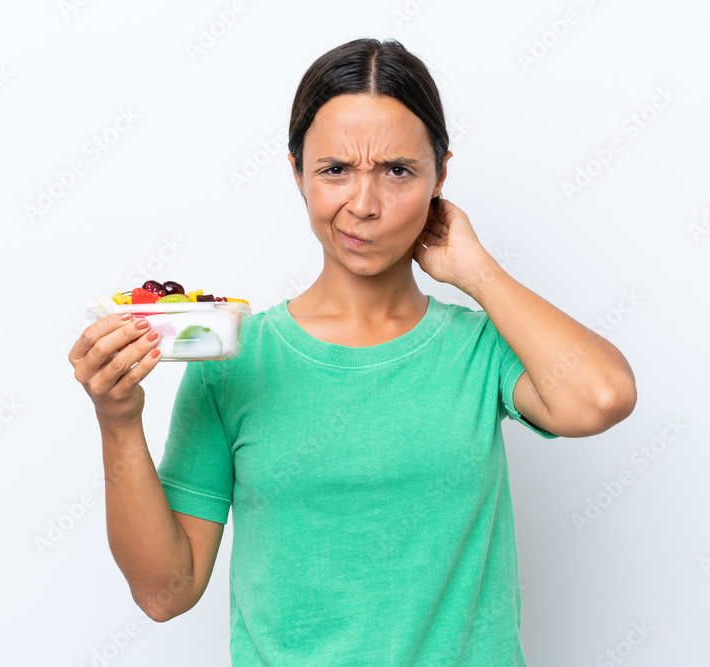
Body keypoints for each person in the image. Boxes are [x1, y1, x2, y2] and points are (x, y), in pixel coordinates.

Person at [69, 37, 637, 666]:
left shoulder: (481, 349)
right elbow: (164, 592)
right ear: (297, 173)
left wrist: (477, 271)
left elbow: (602, 396)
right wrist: (117, 422)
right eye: (335, 169)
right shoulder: (236, 361)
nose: (363, 205)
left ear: (440, 176)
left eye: (398, 171)